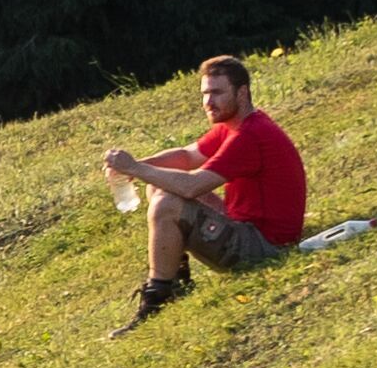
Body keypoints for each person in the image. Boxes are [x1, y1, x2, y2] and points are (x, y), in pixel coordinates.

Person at [101, 53, 308, 326]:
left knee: (167, 203)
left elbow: (192, 185)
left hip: (263, 246)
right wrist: (138, 165)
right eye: (205, 93)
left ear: (242, 92)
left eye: (217, 93)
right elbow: (187, 157)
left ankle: (159, 295)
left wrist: (135, 169)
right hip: (247, 227)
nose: (208, 102)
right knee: (159, 184)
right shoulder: (235, 126)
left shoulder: (250, 136)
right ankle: (175, 275)